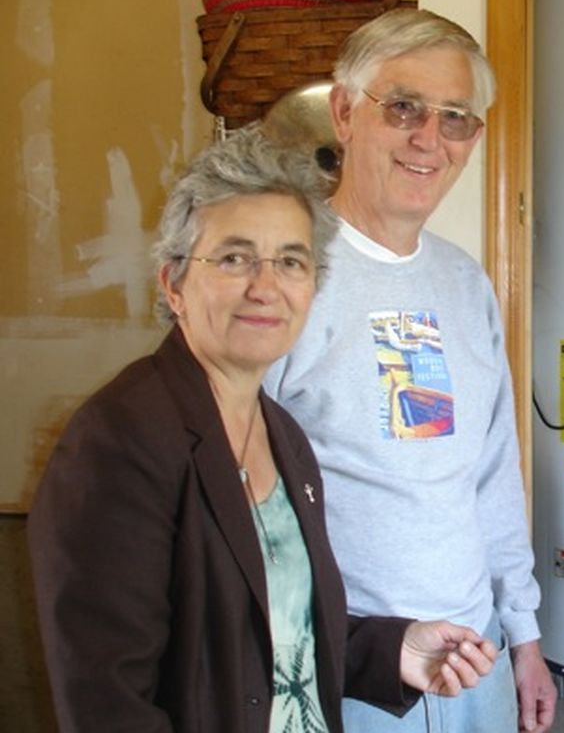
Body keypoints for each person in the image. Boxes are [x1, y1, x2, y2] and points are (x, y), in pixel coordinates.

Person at [28, 126, 497, 733]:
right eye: (233, 257)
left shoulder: (284, 436)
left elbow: (273, 626)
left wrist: (392, 650)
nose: (265, 286)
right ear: (174, 284)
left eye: (291, 262)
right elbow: (106, 701)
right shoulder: (118, 440)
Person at [264, 8, 558, 732]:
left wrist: (523, 636)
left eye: (456, 117)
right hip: (349, 667)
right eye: (403, 108)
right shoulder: (282, 276)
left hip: (475, 660)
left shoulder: (465, 284)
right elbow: (235, 497)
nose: (430, 138)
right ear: (344, 112)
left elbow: (489, 470)